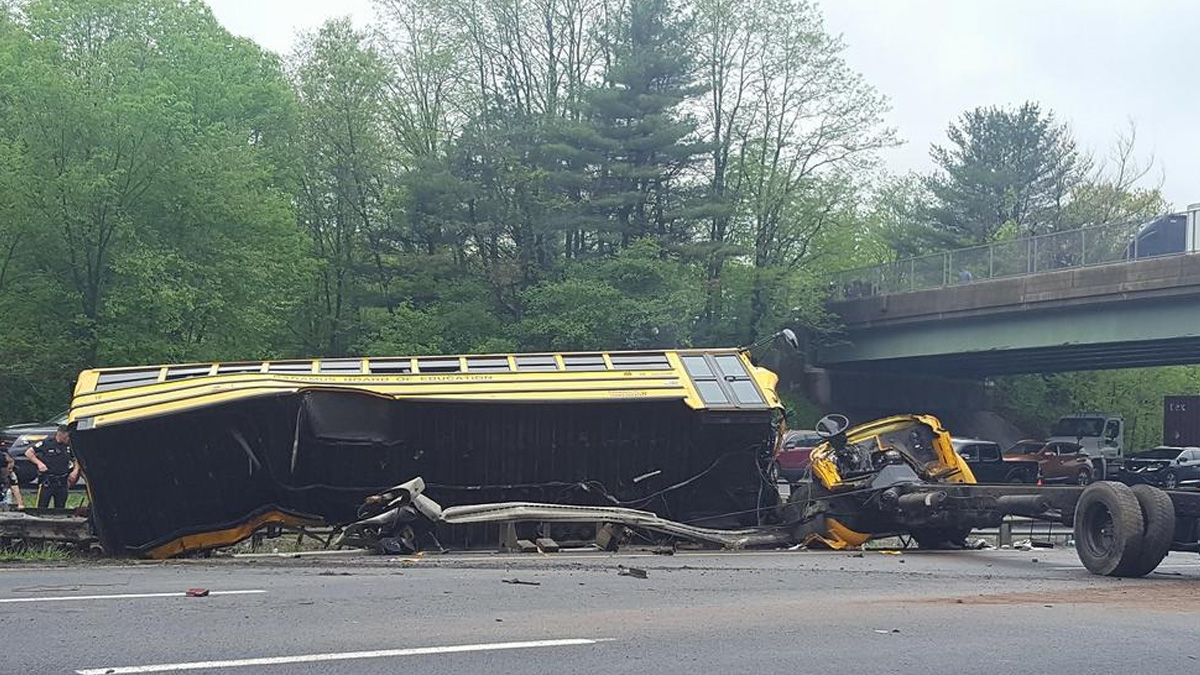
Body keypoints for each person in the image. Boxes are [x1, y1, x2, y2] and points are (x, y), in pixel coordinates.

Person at [25, 425, 78, 509]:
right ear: (60, 434)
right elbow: (28, 452)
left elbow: (76, 459)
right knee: (41, 508)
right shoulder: (47, 443)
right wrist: (39, 463)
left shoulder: (69, 446)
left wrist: (75, 471)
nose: (68, 438)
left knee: (61, 509)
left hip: (62, 482)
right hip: (48, 481)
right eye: (67, 436)